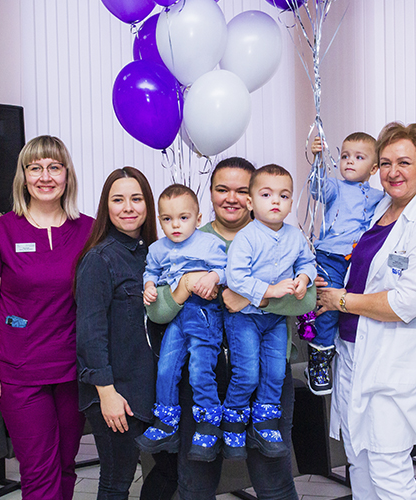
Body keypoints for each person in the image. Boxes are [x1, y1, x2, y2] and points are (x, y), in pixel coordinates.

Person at [146, 157, 313, 500]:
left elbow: (306, 300)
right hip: (202, 375)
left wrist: (251, 298)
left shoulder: (280, 236)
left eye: (241, 190)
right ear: (210, 194)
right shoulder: (186, 235)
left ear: (252, 196)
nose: (232, 198)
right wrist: (187, 285)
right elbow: (159, 312)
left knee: (274, 480)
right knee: (196, 483)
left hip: (265, 374)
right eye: (222, 189)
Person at [315, 122, 416, 500]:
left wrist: (340, 300)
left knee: (388, 469)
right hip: (352, 352)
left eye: (404, 162)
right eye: (385, 163)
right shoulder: (377, 210)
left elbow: (407, 301)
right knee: (358, 461)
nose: (393, 172)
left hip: (392, 360)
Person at [0, 135, 93, 500]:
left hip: (73, 368)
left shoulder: (89, 230)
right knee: (39, 470)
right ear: (23, 177)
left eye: (54, 167)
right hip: (20, 371)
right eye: (35, 168)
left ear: (67, 175)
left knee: (65, 464)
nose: (45, 176)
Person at [75, 167, 166, 500]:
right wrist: (107, 393)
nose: (128, 207)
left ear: (148, 205)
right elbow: (90, 333)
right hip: (116, 393)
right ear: (106, 206)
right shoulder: (98, 259)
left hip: (151, 387)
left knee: (171, 469)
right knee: (117, 482)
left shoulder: (155, 254)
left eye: (136, 199)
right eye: (118, 200)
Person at [223, 164, 316, 459]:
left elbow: (307, 262)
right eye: (266, 194)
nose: (275, 200)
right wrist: (270, 291)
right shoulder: (246, 237)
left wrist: (304, 278)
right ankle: (233, 422)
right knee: (248, 374)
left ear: (291, 203)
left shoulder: (295, 236)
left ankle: (264, 424)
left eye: (283, 195)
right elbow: (235, 278)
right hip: (244, 320)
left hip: (275, 321)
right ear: (250, 203)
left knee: (276, 372)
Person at [136, 184, 228, 460]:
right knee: (166, 367)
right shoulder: (157, 248)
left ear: (198, 219)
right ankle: (166, 422)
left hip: (204, 313)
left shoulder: (209, 243)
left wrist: (213, 277)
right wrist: (149, 286)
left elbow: (226, 270)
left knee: (201, 369)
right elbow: (151, 272)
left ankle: (209, 425)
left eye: (183, 218)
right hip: (176, 315)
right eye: (167, 219)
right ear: (159, 220)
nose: (175, 225)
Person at [302, 133, 385, 396]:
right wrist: (317, 158)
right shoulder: (335, 187)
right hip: (331, 257)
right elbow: (317, 188)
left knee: (353, 308)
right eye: (345, 156)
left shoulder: (379, 197)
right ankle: (319, 360)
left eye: (359, 157)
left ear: (374, 168)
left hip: (358, 261)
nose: (349, 161)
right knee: (328, 307)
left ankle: (347, 358)